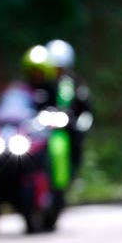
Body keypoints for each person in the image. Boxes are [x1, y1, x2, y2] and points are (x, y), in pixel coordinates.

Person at [45, 39, 92, 183]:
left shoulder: (73, 84)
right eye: (54, 68)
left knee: (76, 140)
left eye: (60, 68)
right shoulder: (42, 84)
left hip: (67, 129)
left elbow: (85, 109)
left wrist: (79, 126)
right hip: (43, 128)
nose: (57, 72)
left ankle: (71, 175)